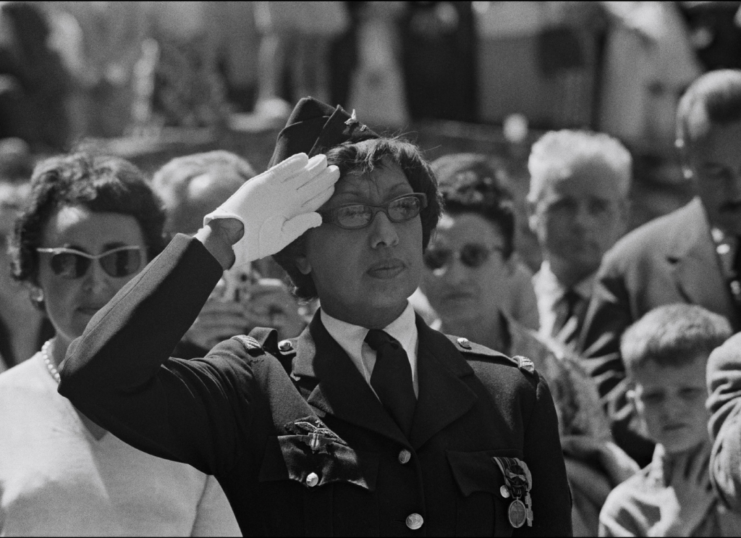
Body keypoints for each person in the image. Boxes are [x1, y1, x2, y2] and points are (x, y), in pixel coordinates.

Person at [58, 97, 572, 536]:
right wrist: (219, 238)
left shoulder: (510, 391)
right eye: (352, 213)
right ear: (299, 249)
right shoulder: (253, 386)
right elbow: (97, 377)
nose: (386, 234)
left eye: (403, 207)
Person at [0, 152, 240, 536]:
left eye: (120, 259)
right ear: (33, 277)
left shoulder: (200, 409)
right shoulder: (5, 408)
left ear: (155, 269)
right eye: (69, 261)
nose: (96, 282)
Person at [418, 152, 637, 536]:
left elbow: (608, 489)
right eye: (435, 258)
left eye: (474, 256)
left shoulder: (560, 376)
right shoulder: (397, 369)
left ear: (508, 263)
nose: (452, 275)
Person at [580, 70, 741, 468]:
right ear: (685, 158)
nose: (737, 189)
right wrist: (690, 445)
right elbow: (602, 389)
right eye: (717, 172)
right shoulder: (632, 264)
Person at [599, 304, 741, 537]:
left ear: (717, 396)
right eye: (653, 396)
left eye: (689, 392)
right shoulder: (626, 508)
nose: (670, 409)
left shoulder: (737, 481)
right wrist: (675, 526)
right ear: (634, 403)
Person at [151, 150, 305, 356]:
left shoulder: (309, 323)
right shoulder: (139, 339)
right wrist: (175, 346)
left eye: (239, 234)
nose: (219, 257)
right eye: (195, 242)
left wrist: (296, 346)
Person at [528, 129, 631, 349]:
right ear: (533, 211)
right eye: (564, 205)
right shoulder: (504, 307)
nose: (581, 222)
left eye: (598, 207)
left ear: (623, 215)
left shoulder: (637, 314)